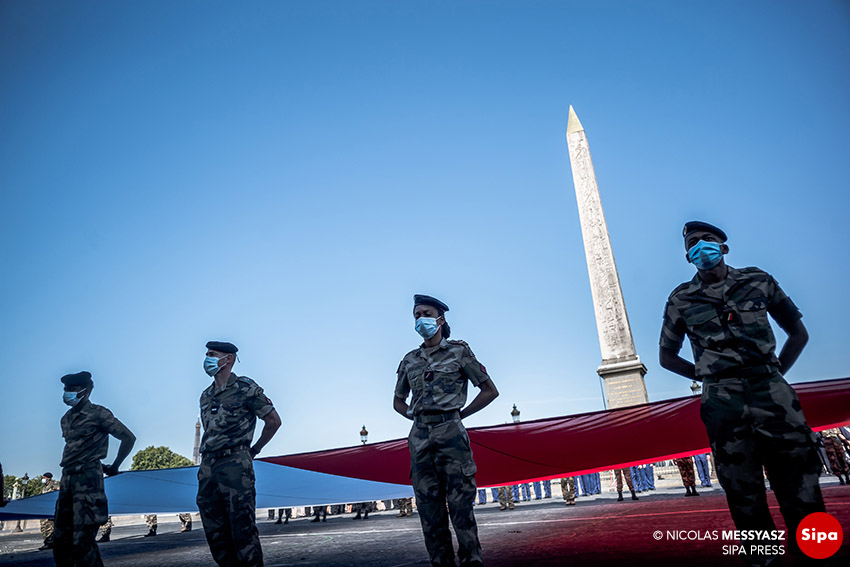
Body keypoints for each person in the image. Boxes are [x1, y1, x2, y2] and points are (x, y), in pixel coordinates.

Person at [659, 221, 825, 558]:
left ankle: (817, 556)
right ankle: (763, 560)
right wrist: (709, 377)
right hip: (723, 402)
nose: (701, 245)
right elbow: (666, 356)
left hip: (771, 391)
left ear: (724, 247)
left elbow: (798, 333)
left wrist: (773, 373)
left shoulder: (758, 280)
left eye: (708, 239)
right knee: (743, 493)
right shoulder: (680, 298)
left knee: (801, 487)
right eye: (693, 243)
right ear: (688, 256)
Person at [394, 295, 499, 567]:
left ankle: (472, 562)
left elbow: (489, 390)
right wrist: (415, 415)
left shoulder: (459, 352)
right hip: (419, 440)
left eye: (425, 314)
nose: (420, 319)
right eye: (416, 315)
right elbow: (397, 401)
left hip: (451, 435)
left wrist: (459, 415)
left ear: (440, 319)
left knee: (462, 510)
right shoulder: (409, 360)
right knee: (430, 514)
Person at [197, 341, 282, 567]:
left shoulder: (246, 388)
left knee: (242, 531)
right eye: (207, 355)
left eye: (212, 354)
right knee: (215, 532)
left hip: (235, 465)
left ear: (229, 359)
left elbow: (273, 421)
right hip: (208, 467)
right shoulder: (206, 396)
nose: (207, 359)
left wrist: (254, 450)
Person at [53, 371, 136, 567]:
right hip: (67, 480)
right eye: (66, 389)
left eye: (72, 389)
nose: (67, 393)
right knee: (60, 541)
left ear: (87, 390)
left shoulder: (98, 414)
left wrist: (115, 466)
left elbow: (128, 438)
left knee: (82, 542)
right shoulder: (66, 419)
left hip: (88, 480)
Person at [38, 472, 60, 550]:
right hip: (44, 509)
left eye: (44, 477)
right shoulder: (44, 487)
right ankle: (46, 542)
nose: (43, 479)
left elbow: (59, 493)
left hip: (51, 509)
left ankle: (50, 543)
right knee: (43, 526)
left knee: (50, 526)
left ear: (48, 478)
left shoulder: (54, 484)